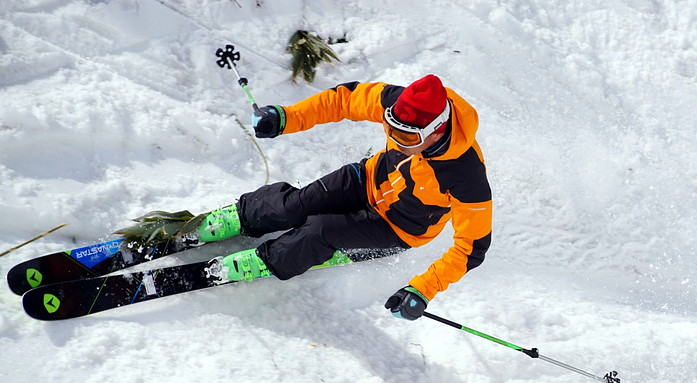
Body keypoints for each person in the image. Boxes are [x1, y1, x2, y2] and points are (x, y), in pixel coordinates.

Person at [199, 74, 492, 321]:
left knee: (320, 230)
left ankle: (267, 260)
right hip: (367, 178)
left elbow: (471, 247)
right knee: (295, 205)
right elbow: (345, 99)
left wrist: (423, 289)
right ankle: (244, 215)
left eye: (408, 138)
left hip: (397, 226)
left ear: (436, 131)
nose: (398, 142)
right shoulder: (399, 102)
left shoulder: (466, 175)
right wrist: (288, 117)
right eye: (392, 130)